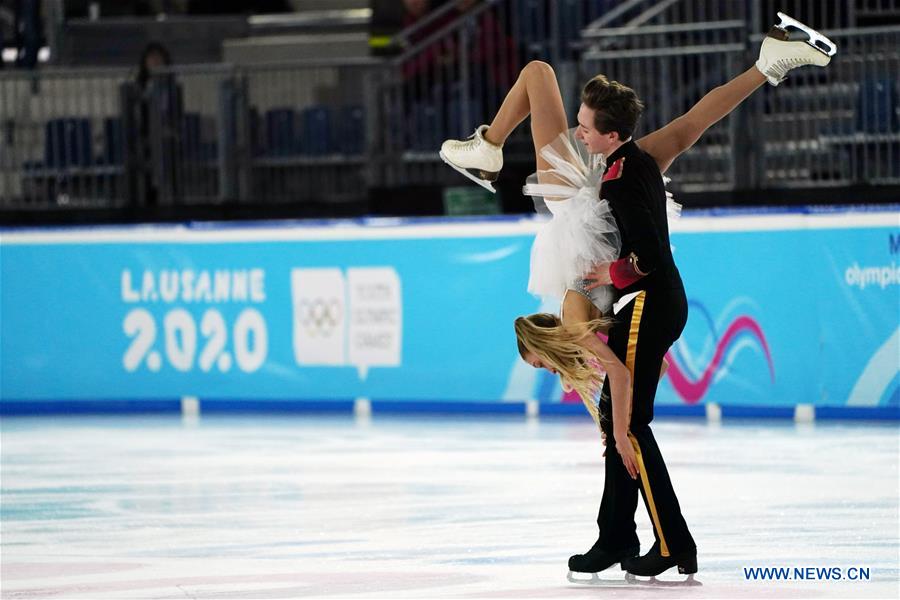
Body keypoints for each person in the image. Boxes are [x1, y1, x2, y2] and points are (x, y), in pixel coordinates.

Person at [441, 12, 837, 578]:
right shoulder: (579, 302)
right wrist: (613, 423)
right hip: (589, 212)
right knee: (552, 78)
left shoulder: (579, 315)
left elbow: (610, 370)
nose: (577, 129)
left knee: (663, 117)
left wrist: (614, 423)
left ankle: (765, 65)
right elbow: (605, 373)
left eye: (584, 124)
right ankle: (487, 147)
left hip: (588, 210)